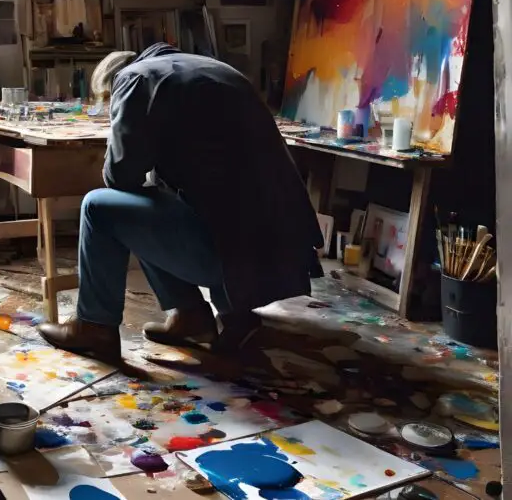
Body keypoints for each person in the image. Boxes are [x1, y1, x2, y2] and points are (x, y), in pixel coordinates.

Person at [38, 43, 323, 362]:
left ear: (110, 89)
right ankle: (194, 318)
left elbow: (119, 177)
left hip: (233, 253)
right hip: (282, 251)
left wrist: (117, 134)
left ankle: (95, 326)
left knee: (99, 207)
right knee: (152, 196)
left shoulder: (133, 79)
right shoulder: (204, 68)